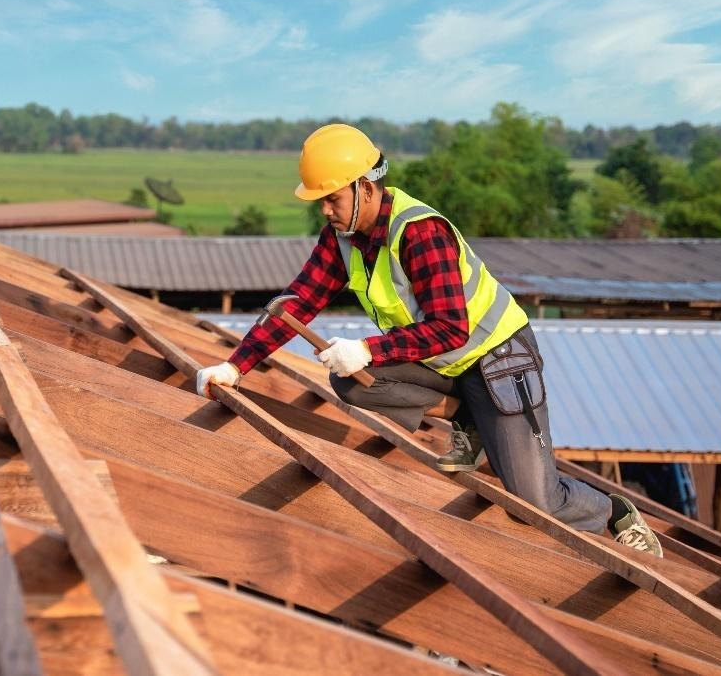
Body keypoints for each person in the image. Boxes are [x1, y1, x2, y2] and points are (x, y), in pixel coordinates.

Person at [195, 123, 664, 556]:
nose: (325, 209)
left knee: (532, 501)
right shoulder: (342, 237)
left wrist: (368, 348)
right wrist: (235, 366)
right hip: (446, 365)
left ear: (364, 187)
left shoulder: (419, 232)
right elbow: (297, 302)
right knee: (352, 381)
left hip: (499, 360)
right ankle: (469, 421)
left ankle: (612, 510)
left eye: (331, 198)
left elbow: (450, 329)